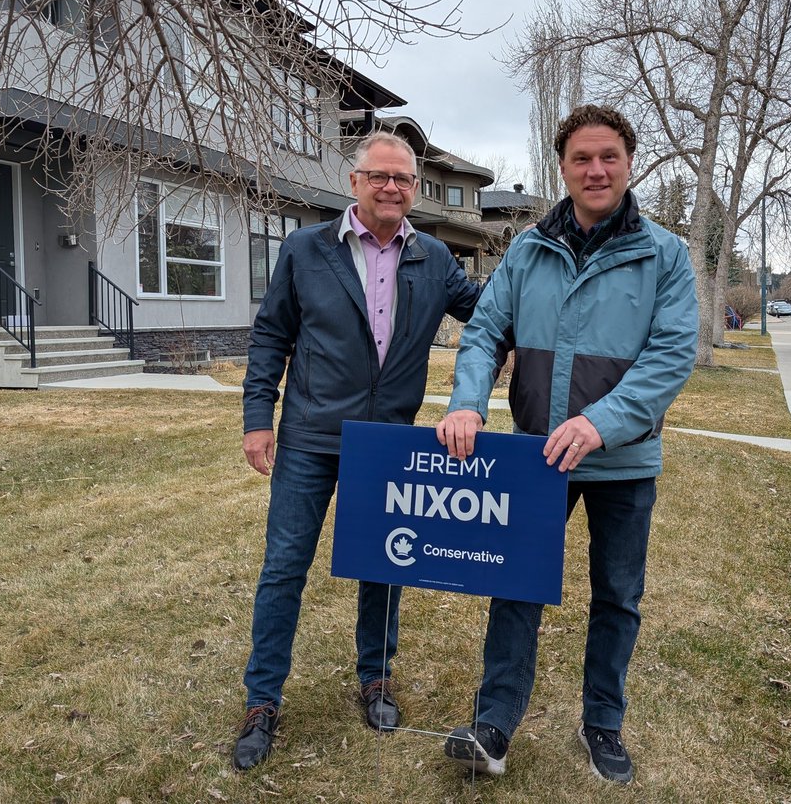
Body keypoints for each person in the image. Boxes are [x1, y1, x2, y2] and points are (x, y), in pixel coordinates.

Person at [435, 104, 698, 784]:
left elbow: (669, 357)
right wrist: (467, 402)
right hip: (536, 460)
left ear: (630, 161)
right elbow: (486, 332)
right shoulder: (526, 250)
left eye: (608, 156)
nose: (596, 169)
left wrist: (601, 422)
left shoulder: (664, 254)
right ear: (563, 167)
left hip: (623, 461)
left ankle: (603, 722)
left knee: (617, 596)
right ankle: (493, 725)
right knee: (515, 587)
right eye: (582, 158)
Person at [233, 131, 482, 770]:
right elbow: (270, 337)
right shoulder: (306, 250)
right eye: (380, 176)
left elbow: (489, 314)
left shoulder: (433, 259)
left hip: (388, 445)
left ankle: (375, 677)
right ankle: (263, 700)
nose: (392, 187)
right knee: (285, 565)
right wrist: (258, 417)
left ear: (414, 188)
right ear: (355, 182)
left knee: (385, 565)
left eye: (403, 179)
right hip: (311, 437)